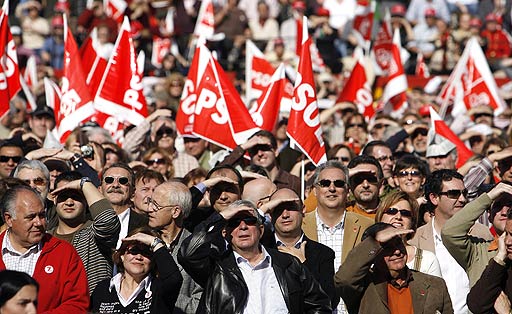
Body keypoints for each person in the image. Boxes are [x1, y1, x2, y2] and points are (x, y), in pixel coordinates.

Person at [178, 200, 332, 313]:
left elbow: (319, 305)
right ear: (225, 233)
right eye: (235, 222)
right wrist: (221, 217)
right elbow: (188, 253)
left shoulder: (288, 264)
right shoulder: (217, 268)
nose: (243, 226)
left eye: (249, 220)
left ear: (261, 230)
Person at [410, 169, 492, 314]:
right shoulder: (416, 240)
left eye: (464, 193)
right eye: (453, 194)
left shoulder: (482, 233)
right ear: (434, 198)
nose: (462, 199)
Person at [0, 185, 89, 312]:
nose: (38, 223)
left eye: (42, 215)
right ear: (9, 219)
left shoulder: (63, 252)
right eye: (30, 217)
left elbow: (78, 303)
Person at [335, 223, 453, 313]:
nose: (397, 251)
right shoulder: (364, 286)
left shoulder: (435, 285)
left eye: (398, 243)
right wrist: (375, 241)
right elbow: (344, 279)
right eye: (387, 247)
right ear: (374, 253)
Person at [262, 188, 338, 309]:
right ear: (270, 215)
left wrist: (304, 265)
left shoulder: (323, 253)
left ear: (302, 210)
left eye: (291, 207)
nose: (285, 215)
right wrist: (261, 210)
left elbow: (329, 300)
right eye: (278, 209)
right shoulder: (260, 250)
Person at [49, 171, 121, 293]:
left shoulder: (94, 233)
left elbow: (108, 220)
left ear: (86, 200)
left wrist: (84, 184)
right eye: (63, 196)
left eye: (76, 196)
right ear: (54, 199)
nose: (69, 202)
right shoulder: (45, 238)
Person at [91, 228, 183, 313]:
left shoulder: (158, 289)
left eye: (146, 253)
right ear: (122, 255)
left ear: (153, 260)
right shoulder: (103, 289)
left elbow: (174, 279)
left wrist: (154, 242)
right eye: (134, 251)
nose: (139, 257)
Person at [442, 182, 512, 286]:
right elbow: (449, 232)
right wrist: (489, 197)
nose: (504, 212)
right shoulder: (478, 251)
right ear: (489, 216)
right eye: (498, 206)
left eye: (510, 206)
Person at [147, 181, 202, 314]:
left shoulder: (197, 248)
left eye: (156, 205)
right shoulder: (142, 240)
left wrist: (162, 299)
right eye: (150, 201)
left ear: (175, 212)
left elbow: (201, 298)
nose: (149, 209)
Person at [375, 190, 442, 276]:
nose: (398, 217)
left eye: (405, 213)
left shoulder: (427, 259)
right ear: (380, 216)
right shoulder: (369, 255)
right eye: (391, 211)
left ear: (412, 222)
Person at [219, 130, 301, 195]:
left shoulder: (294, 182)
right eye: (254, 150)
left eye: (264, 148)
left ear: (276, 151)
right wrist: (243, 147)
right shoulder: (245, 183)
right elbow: (217, 175)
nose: (260, 154)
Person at [467, 213, 512, 313]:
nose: (508, 241)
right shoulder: (504, 268)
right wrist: (500, 257)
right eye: (506, 234)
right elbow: (475, 304)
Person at [100, 163, 148, 248]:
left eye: (123, 181)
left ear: (133, 192)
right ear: (100, 189)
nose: (115, 185)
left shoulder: (146, 224)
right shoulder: (85, 221)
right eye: (109, 180)